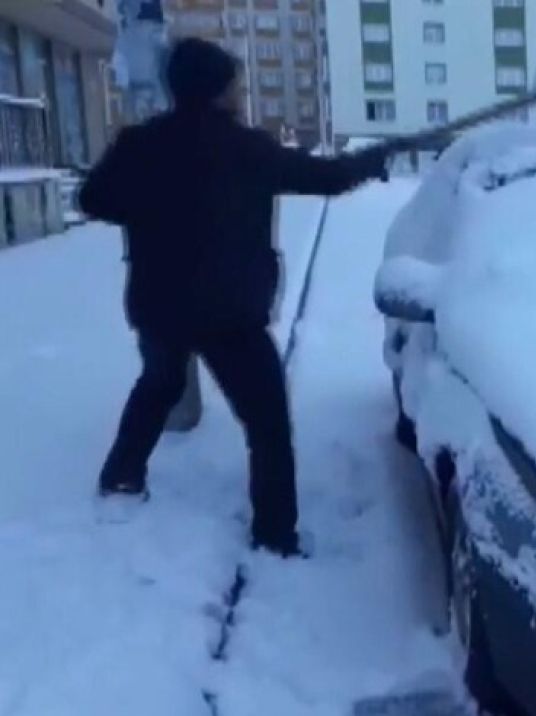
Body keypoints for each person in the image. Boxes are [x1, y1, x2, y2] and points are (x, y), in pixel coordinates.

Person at [80, 37, 395, 557]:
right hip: (231, 313)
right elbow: (327, 178)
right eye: (234, 84)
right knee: (267, 425)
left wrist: (147, 210)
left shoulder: (139, 143)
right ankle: (275, 535)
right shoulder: (246, 148)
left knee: (158, 384)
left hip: (159, 304)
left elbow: (92, 198)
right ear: (219, 90)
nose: (239, 92)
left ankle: (121, 477)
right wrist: (372, 161)